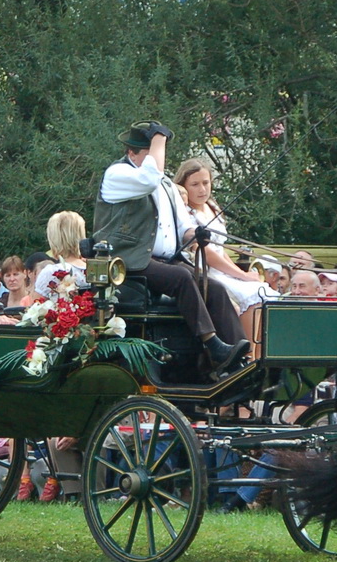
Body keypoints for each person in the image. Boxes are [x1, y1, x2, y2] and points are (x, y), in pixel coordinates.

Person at [93, 123, 251, 380]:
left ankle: (238, 361)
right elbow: (149, 178)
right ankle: (213, 345)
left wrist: (194, 235)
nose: (157, 160)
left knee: (214, 288)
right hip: (129, 260)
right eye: (151, 154)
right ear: (132, 153)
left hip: (165, 260)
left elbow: (183, 226)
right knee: (182, 278)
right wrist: (159, 138)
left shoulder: (165, 185)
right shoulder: (118, 174)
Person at [172, 159, 275, 332]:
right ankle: (246, 347)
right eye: (195, 185)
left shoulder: (212, 207)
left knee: (262, 292)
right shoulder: (185, 214)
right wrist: (242, 275)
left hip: (222, 269)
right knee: (252, 295)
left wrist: (238, 272)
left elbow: (220, 249)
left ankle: (258, 348)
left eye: (206, 183)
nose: (202, 189)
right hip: (204, 271)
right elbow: (206, 252)